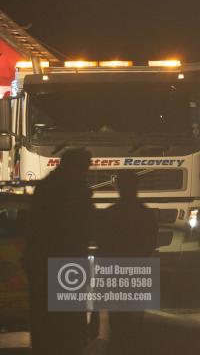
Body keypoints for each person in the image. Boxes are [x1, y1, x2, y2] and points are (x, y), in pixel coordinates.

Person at [25, 148, 95, 355]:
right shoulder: (75, 191)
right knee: (68, 322)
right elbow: (85, 224)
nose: (86, 172)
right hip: (66, 259)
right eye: (84, 167)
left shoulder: (46, 188)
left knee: (46, 320)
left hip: (44, 261)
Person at [97, 171, 158, 355]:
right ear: (136, 187)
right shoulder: (146, 214)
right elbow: (151, 242)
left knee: (118, 317)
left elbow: (103, 244)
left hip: (116, 270)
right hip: (137, 268)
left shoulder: (110, 214)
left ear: (118, 187)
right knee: (135, 316)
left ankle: (120, 346)